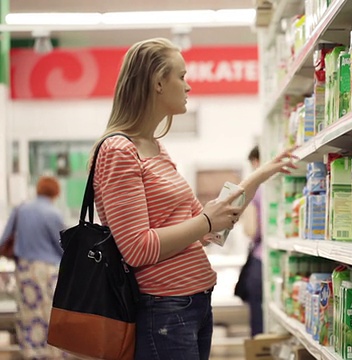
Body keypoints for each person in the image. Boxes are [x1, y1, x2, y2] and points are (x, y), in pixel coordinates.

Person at [89, 37, 296, 360]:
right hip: (165, 309)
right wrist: (205, 222)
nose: (188, 86)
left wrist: (259, 175)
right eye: (182, 76)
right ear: (158, 82)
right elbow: (136, 248)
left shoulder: (156, 148)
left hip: (193, 304)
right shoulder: (120, 151)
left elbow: (209, 232)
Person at [0, 176, 66, 359]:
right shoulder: (53, 214)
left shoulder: (21, 210)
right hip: (48, 271)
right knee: (50, 314)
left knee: (29, 314)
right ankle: (54, 353)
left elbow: (4, 239)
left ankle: (32, 353)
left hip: (25, 270)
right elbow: (62, 246)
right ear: (55, 193)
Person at [240, 145, 264, 336]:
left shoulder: (254, 191)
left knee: (259, 322)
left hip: (261, 261)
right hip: (277, 260)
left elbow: (251, 231)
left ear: (256, 162)